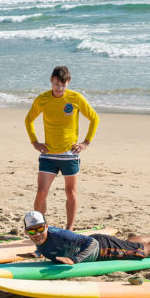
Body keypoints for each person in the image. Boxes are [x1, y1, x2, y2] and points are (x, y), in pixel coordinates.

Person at [24, 66, 100, 231]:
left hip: (69, 154)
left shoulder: (75, 98)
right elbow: (29, 119)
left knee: (70, 193)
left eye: (63, 86)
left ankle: (69, 228)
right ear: (51, 80)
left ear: (68, 83)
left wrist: (86, 142)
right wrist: (34, 142)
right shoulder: (42, 99)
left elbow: (94, 118)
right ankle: (39, 227)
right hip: (48, 154)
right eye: (57, 84)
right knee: (41, 192)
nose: (59, 89)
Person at [21, 210, 150, 264]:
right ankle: (149, 239)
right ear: (26, 231)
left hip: (103, 248)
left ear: (46, 226)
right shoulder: (41, 239)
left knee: (147, 251)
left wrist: (74, 260)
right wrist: (38, 253)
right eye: (31, 231)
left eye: (40, 229)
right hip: (102, 243)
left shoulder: (61, 235)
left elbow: (91, 243)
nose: (37, 234)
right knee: (129, 243)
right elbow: (47, 245)